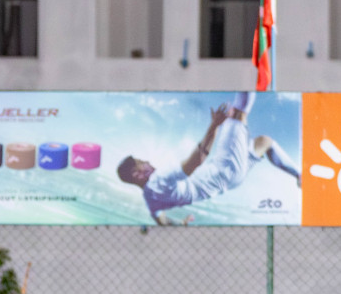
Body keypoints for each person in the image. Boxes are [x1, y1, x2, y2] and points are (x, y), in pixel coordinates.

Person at [117, 92, 300, 226]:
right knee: (237, 113)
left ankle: (300, 176)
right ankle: (250, 70)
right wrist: (214, 126)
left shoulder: (150, 199)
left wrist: (180, 224)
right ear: (137, 174)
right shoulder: (159, 179)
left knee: (264, 142)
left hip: (231, 181)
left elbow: (162, 221)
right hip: (224, 168)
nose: (148, 162)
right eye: (143, 162)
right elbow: (197, 161)